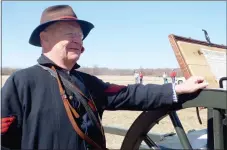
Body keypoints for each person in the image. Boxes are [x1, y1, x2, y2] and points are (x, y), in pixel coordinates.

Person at [1, 5, 209, 150]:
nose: (77, 40)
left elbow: (128, 94)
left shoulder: (87, 82)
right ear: (44, 38)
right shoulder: (22, 82)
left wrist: (178, 89)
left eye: (80, 35)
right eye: (69, 33)